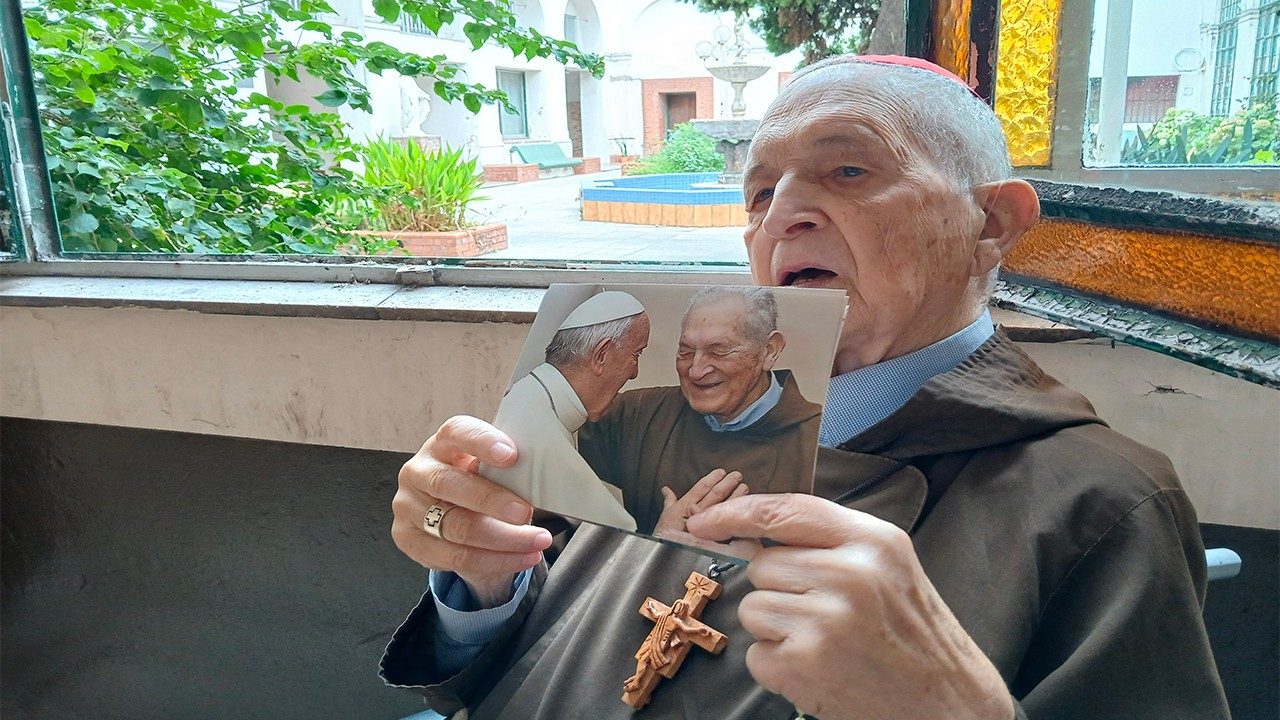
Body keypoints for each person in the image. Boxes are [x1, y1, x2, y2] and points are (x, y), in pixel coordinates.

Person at [384, 54, 1229, 719]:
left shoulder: (1105, 505)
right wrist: (480, 585)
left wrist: (951, 708)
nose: (782, 212)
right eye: (760, 191)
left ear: (993, 221)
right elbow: (511, 671)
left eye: (848, 170)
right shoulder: (647, 420)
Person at [578, 286, 822, 534]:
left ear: (769, 351)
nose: (696, 371)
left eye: (718, 351)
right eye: (685, 352)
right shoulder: (640, 414)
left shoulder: (818, 441)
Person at [482, 291, 650, 531]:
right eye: (636, 354)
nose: (635, 372)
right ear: (601, 355)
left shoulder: (530, 395)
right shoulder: (542, 436)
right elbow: (614, 537)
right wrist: (664, 531)